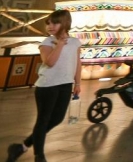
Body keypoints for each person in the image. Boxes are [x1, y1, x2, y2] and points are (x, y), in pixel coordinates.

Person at [7, 10, 81, 162]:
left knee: (57, 118)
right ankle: (39, 156)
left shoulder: (75, 42)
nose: (50, 26)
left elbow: (78, 62)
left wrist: (78, 82)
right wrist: (59, 45)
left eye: (55, 23)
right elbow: (49, 62)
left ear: (65, 23)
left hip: (66, 84)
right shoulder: (46, 42)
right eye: (48, 23)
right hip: (48, 85)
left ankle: (21, 147)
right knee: (43, 119)